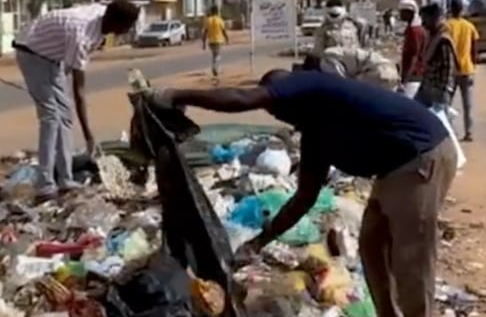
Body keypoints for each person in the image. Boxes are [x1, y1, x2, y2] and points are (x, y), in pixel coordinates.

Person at [150, 69, 457, 317]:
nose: (277, 115)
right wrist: (259, 242)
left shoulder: (311, 82)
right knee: (372, 246)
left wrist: (176, 94)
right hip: (393, 168)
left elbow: (243, 98)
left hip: (421, 156)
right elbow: (303, 199)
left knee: (410, 259)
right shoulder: (316, 135)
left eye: (275, 106)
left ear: (288, 92)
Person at [14, 0, 141, 202]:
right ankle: (44, 184)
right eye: (128, 27)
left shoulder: (102, 16)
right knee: (51, 116)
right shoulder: (81, 35)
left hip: (52, 56)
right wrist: (89, 137)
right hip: (31, 52)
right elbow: (79, 91)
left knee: (64, 113)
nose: (128, 31)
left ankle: (66, 179)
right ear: (117, 23)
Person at [415, 3, 458, 115]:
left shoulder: (443, 40)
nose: (423, 23)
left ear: (434, 18)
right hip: (426, 87)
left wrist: (444, 93)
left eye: (425, 19)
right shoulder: (432, 37)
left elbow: (448, 68)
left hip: (438, 91)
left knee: (442, 123)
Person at [446, 0, 479, 141]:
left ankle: (448, 132)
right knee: (468, 105)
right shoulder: (469, 26)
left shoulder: (446, 25)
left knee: (446, 103)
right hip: (467, 69)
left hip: (451, 71)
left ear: (451, 8)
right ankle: (469, 132)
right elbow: (474, 48)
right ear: (462, 9)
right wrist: (473, 63)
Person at [300, 46, 401, 91]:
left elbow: (343, 83)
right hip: (388, 69)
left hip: (376, 72)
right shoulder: (331, 52)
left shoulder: (325, 64)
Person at [398, 0, 426, 96]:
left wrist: (405, 80)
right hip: (413, 76)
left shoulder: (414, 31)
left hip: (413, 77)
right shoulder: (411, 29)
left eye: (402, 12)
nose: (400, 14)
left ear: (409, 13)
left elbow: (414, 56)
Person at [202, 5, 229, 79]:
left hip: (211, 41)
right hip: (218, 41)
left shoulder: (208, 20)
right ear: (217, 11)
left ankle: (216, 67)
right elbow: (223, 31)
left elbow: (205, 32)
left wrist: (204, 43)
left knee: (214, 55)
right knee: (217, 56)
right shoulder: (220, 20)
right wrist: (227, 38)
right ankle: (215, 68)